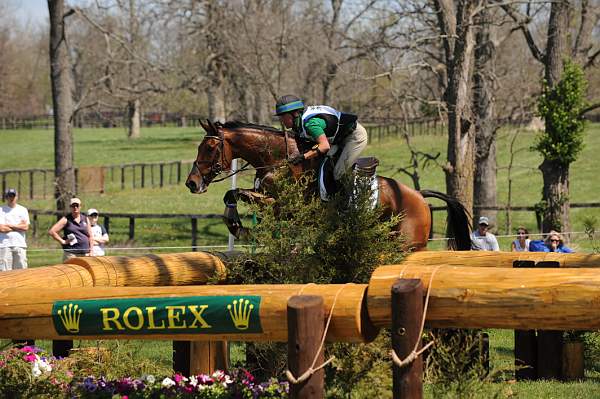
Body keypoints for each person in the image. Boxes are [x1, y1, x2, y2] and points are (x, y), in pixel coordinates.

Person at [275, 94, 368, 181]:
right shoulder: (300, 123)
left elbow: (324, 146)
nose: (281, 120)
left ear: (294, 114)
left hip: (354, 137)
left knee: (338, 174)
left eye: (283, 116)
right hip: (338, 138)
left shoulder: (310, 124)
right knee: (324, 165)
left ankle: (356, 196)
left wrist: (303, 157)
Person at [0, 189, 30, 270]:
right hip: (4, 245)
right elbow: (2, 228)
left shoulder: (23, 210)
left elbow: (26, 227)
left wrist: (9, 225)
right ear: (6, 197)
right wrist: (18, 226)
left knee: (21, 271)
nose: (11, 198)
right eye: (9, 196)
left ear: (17, 197)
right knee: (4, 272)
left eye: (13, 195)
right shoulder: (1, 210)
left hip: (20, 244)